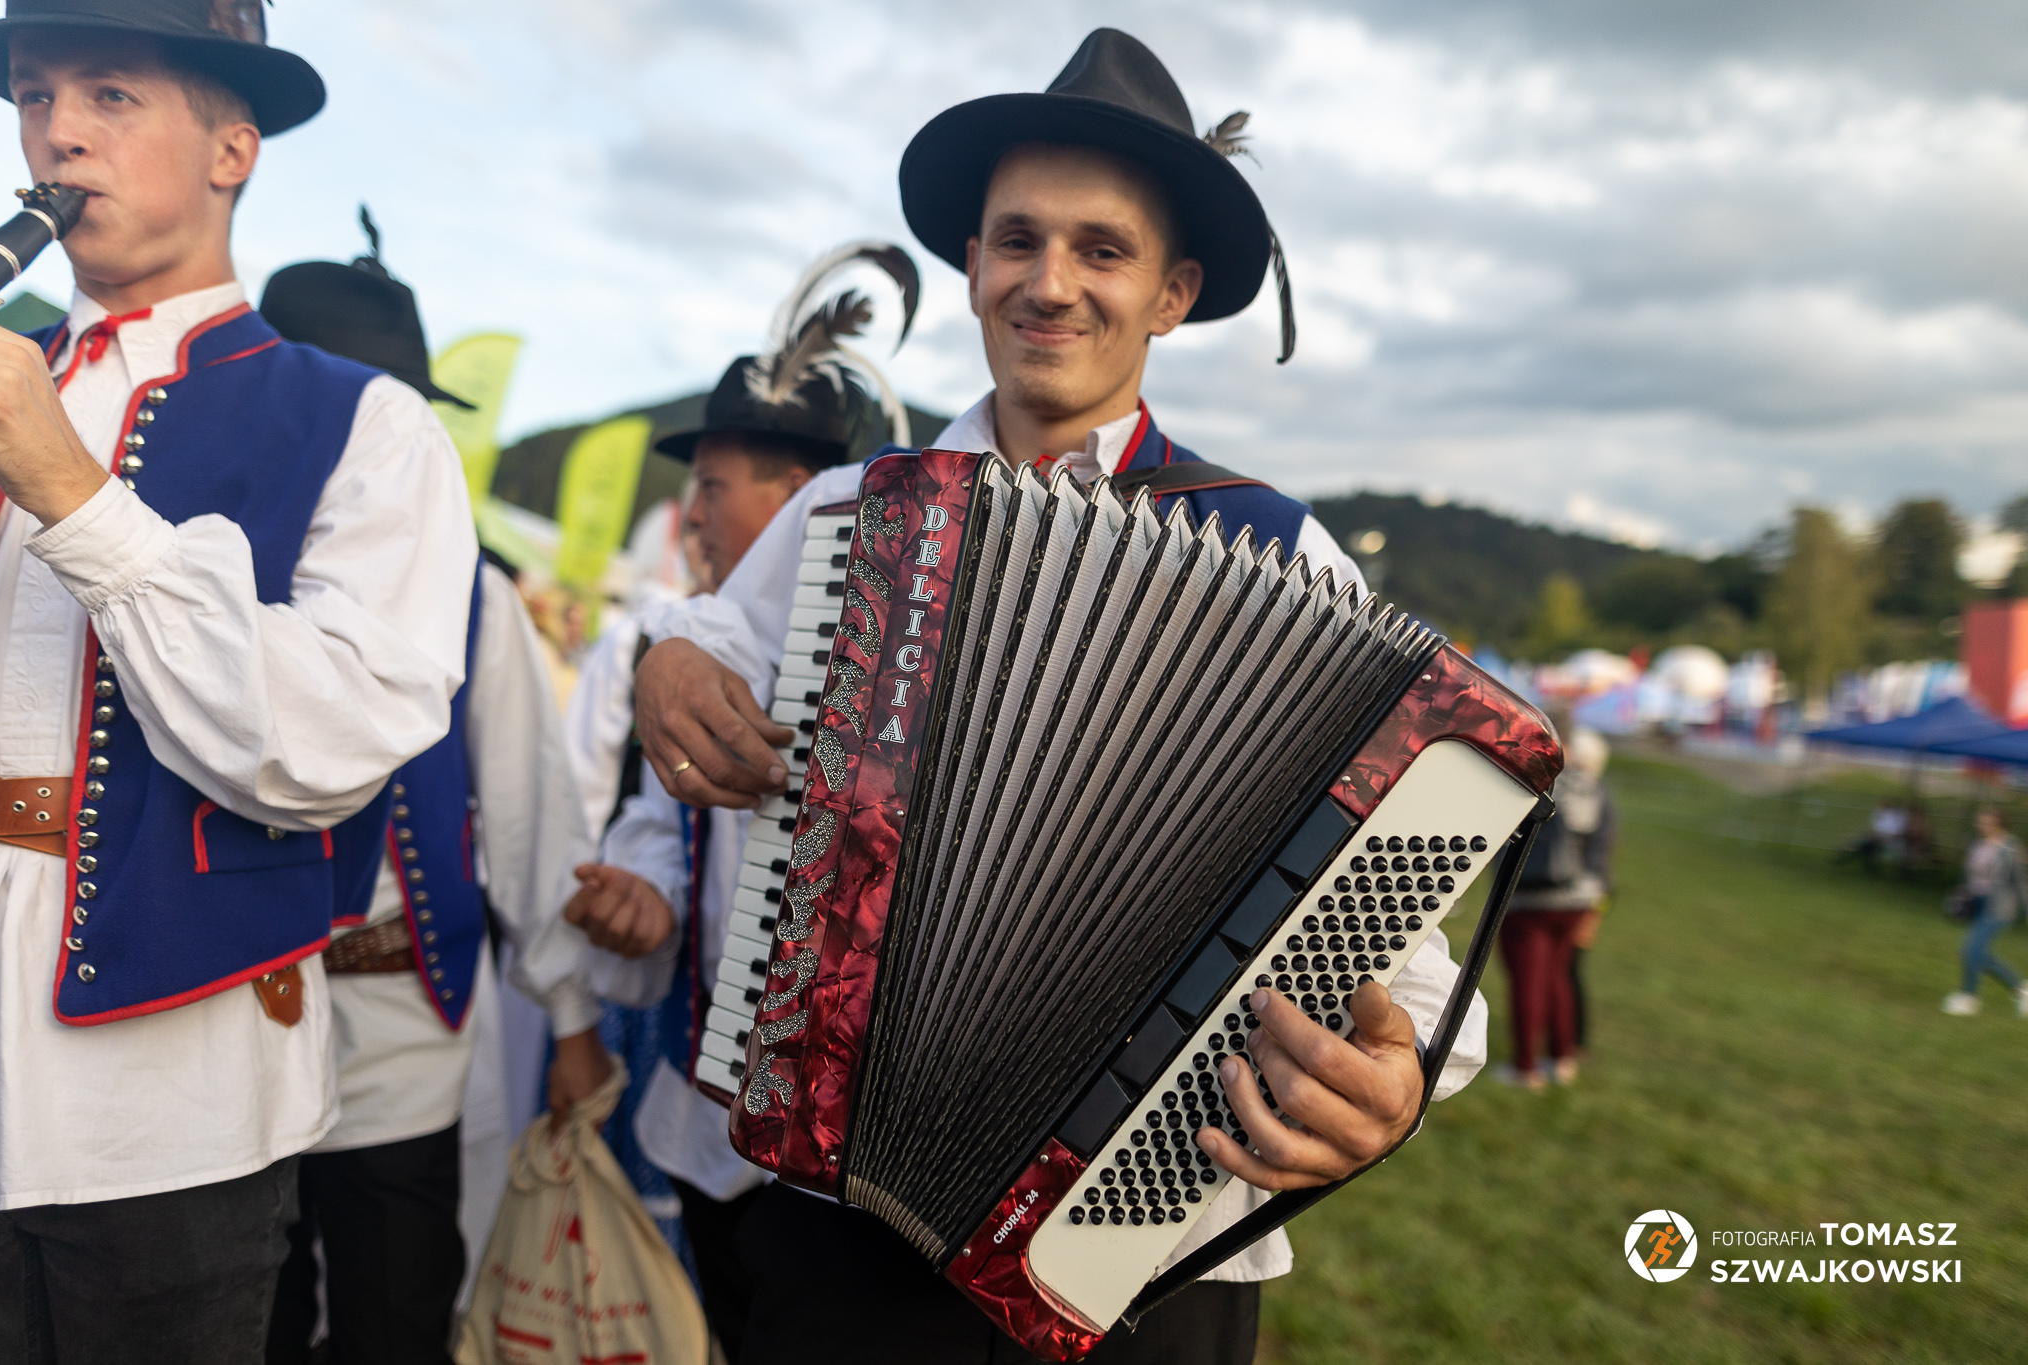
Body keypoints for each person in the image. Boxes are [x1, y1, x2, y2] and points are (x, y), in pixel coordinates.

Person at [613, 30, 1488, 1364]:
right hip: (841, 1205)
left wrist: (1397, 1075)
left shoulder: (1280, 554)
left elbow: (1400, 951)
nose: (1050, 281)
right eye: (1017, 239)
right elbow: (704, 642)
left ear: (1172, 294)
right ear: (972, 264)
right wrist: (664, 660)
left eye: (1102, 249)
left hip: (1140, 1236)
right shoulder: (846, 512)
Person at [0, 5, 479, 1361]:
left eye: (109, 94)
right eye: (33, 95)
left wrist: (71, 489)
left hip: (168, 1102)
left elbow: (328, 743)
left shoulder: (370, 424)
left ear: (231, 150)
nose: (57, 133)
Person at [254, 222, 615, 1364]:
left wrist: (569, 1017)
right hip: (215, 1025)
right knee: (235, 1324)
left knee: (397, 1318)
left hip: (400, 1032)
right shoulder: (191, 565)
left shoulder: (474, 595)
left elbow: (528, 809)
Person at [561, 243, 916, 1364]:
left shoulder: (904, 647)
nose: (693, 517)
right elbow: (660, 829)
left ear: (802, 495)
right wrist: (644, 899)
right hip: (710, 1123)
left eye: (712, 487)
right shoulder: (680, 645)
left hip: (869, 1154)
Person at [1496, 725, 1615, 1089]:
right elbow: (1603, 847)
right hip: (1579, 898)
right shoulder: (1593, 788)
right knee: (1559, 977)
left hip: (1530, 898)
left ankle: (1525, 1067)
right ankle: (1562, 1059)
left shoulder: (1532, 781)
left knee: (1528, 982)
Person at [1940, 806, 2027, 1017]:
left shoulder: (2010, 848)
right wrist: (1960, 893)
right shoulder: (1977, 844)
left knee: (1971, 950)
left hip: (1999, 907)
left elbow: (2020, 883)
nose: (1980, 826)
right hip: (1976, 904)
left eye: (1986, 822)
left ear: (1999, 824)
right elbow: (1970, 874)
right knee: (1977, 953)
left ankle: (1969, 998)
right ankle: (2021, 990)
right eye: (1979, 822)